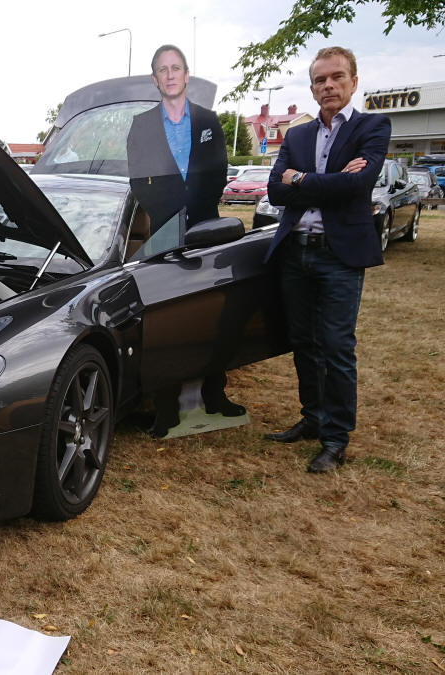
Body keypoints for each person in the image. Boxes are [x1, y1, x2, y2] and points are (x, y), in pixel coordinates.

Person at [263, 46, 391, 473]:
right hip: (295, 253)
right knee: (303, 342)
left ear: (353, 82)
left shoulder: (372, 126)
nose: (328, 85)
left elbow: (359, 186)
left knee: (336, 346)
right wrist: (328, 181)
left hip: (339, 256)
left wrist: (300, 178)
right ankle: (313, 418)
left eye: (337, 77)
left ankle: (336, 438)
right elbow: (274, 191)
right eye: (320, 80)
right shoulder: (297, 135)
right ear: (313, 87)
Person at [125, 44, 241, 438]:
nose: (170, 74)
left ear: (186, 75)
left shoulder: (209, 120)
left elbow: (218, 173)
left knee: (212, 315)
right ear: (155, 79)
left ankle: (215, 395)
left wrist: (196, 217)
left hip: (207, 230)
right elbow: (139, 181)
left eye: (176, 68)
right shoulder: (142, 125)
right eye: (163, 69)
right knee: (165, 320)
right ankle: (166, 408)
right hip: (164, 234)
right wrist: (175, 219)